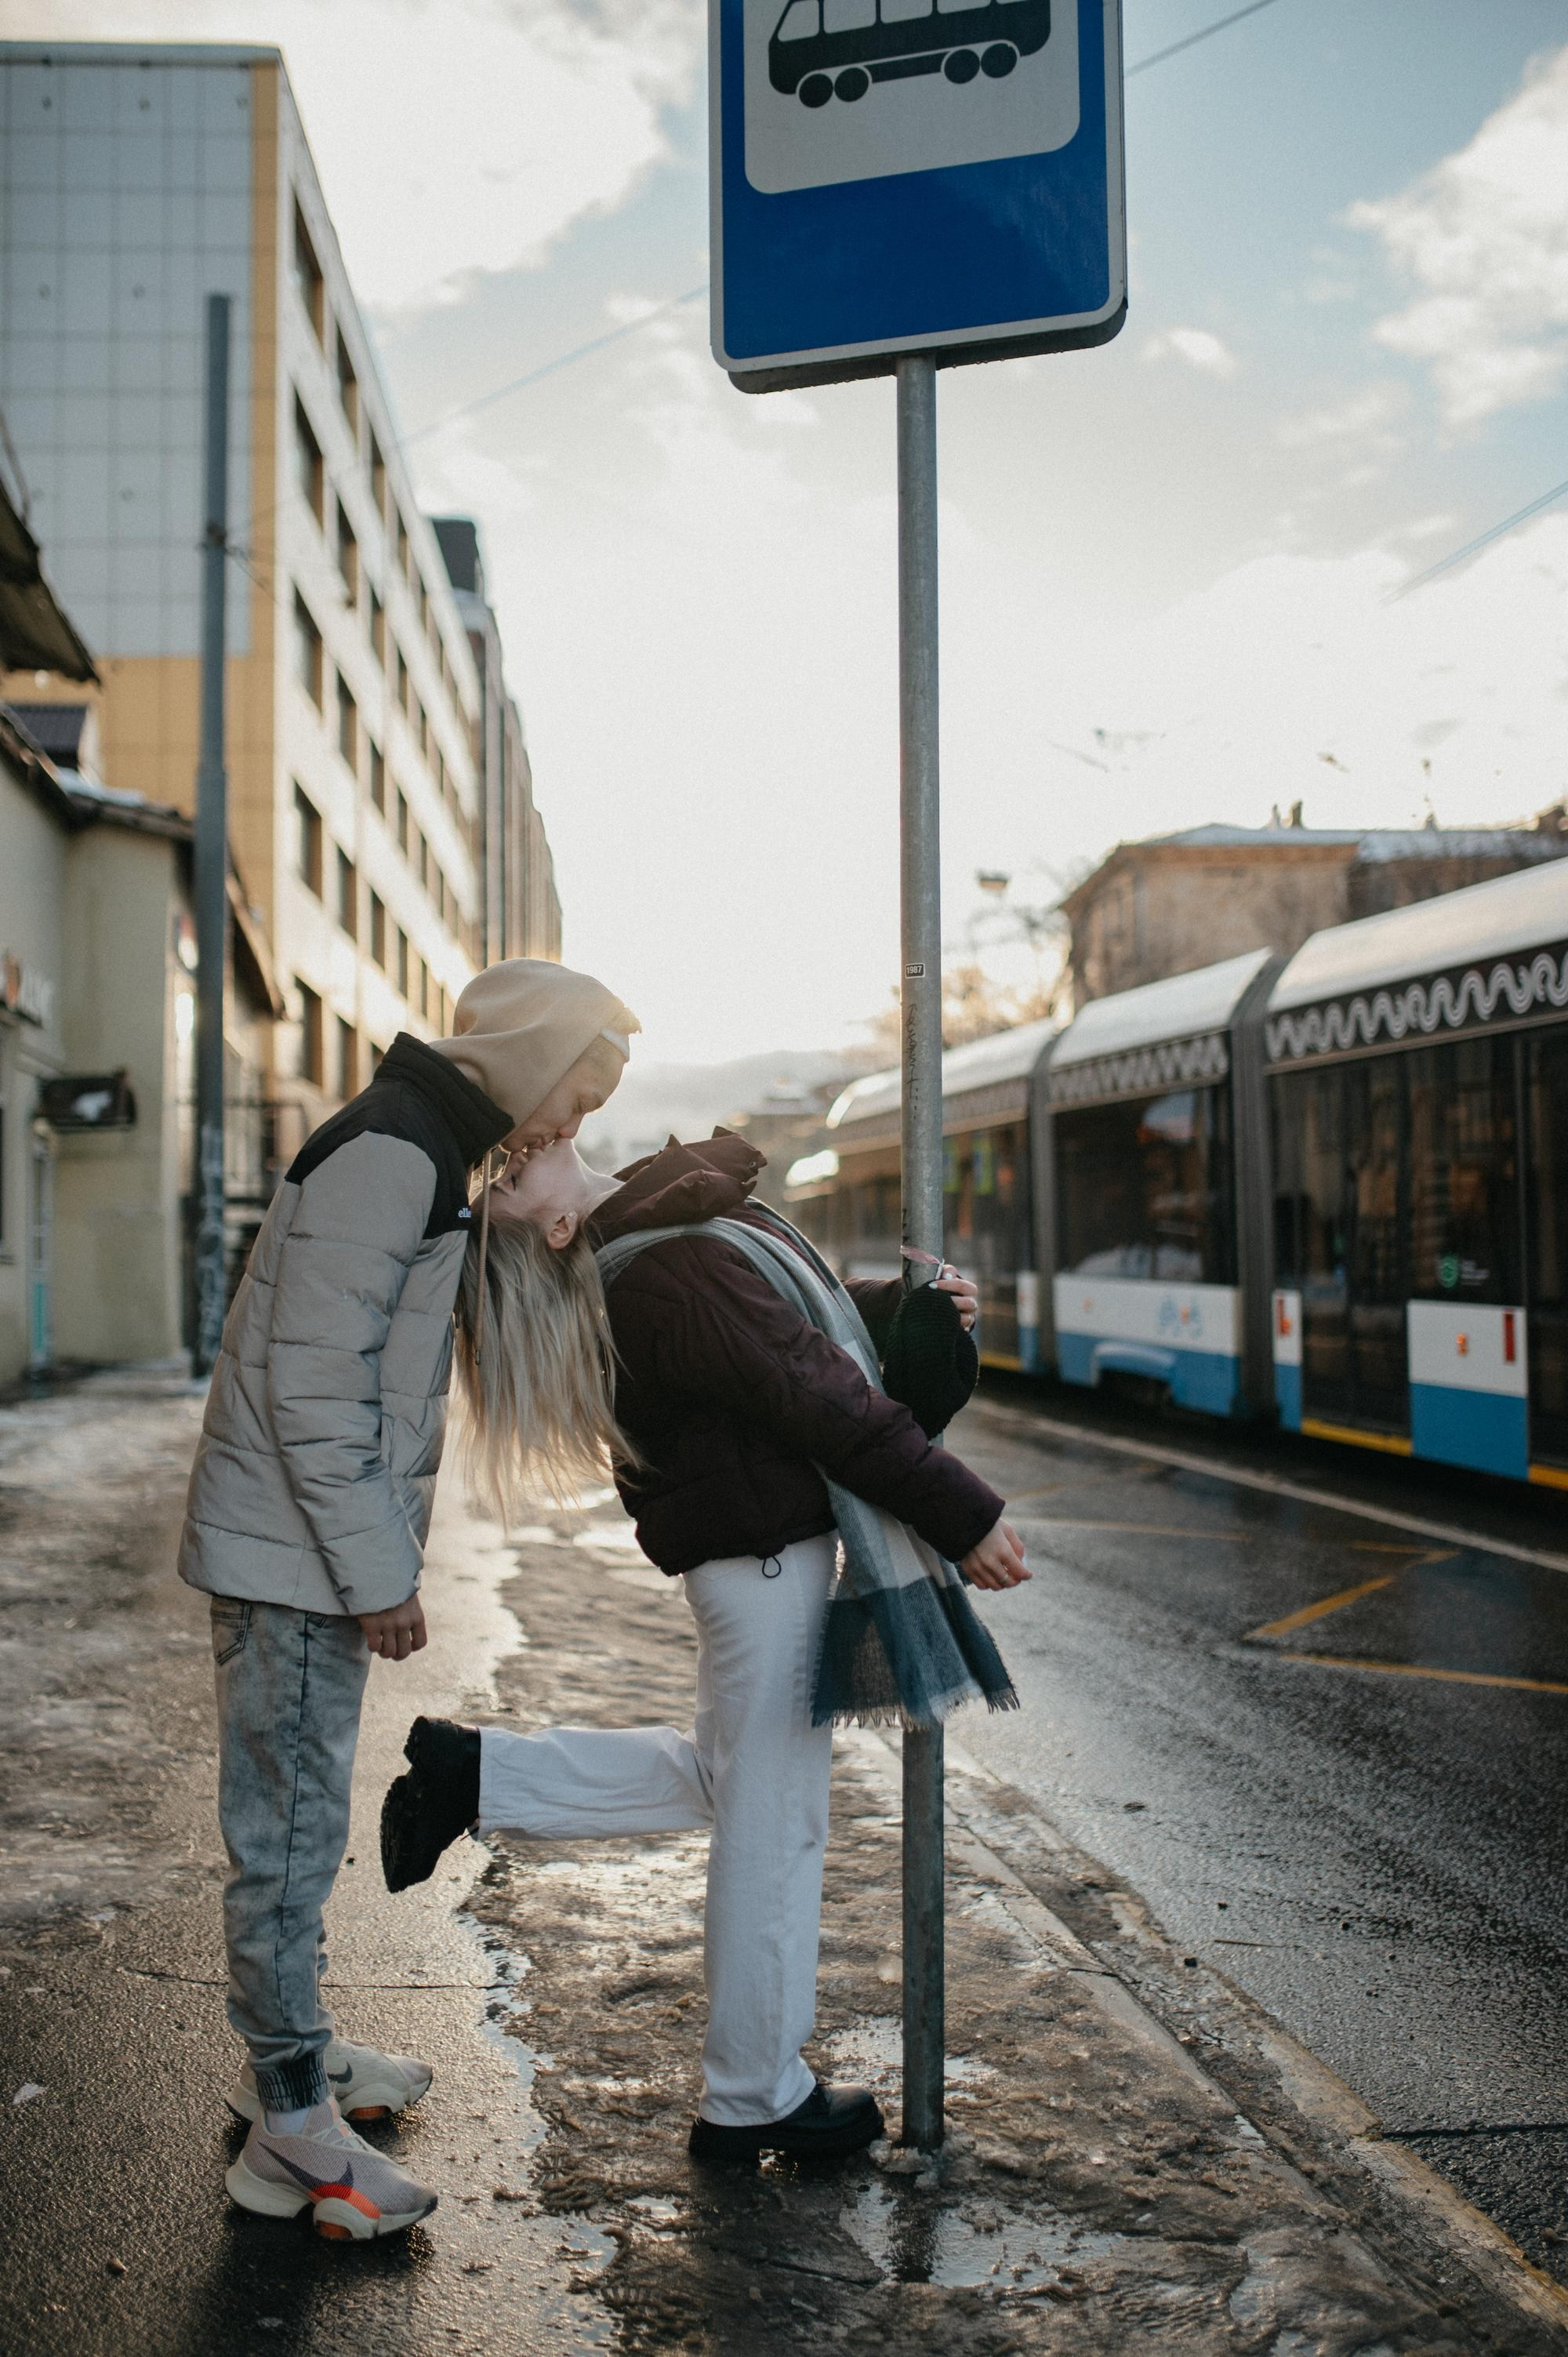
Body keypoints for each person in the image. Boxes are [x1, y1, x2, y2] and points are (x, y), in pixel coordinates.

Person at [380, 1130, 1029, 2166]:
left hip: (757, 1560)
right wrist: (964, 1514)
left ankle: (474, 1772)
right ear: (553, 1225)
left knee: (734, 1785)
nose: (519, 1149)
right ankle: (752, 2095)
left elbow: (784, 1324)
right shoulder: (662, 1268)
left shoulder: (661, 1233)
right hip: (764, 1561)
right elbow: (812, 1389)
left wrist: (900, 1308)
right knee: (776, 1825)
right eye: (503, 1174)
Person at [178, 959, 637, 2240]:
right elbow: (313, 1394)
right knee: (283, 1843)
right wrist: (382, 1576)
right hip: (297, 1566)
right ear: (529, 1056)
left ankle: (303, 2063)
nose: (569, 1127)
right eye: (574, 1095)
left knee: (299, 1832)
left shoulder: (421, 1144)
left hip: (295, 1558)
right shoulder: (395, 1152)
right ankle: (289, 2129)